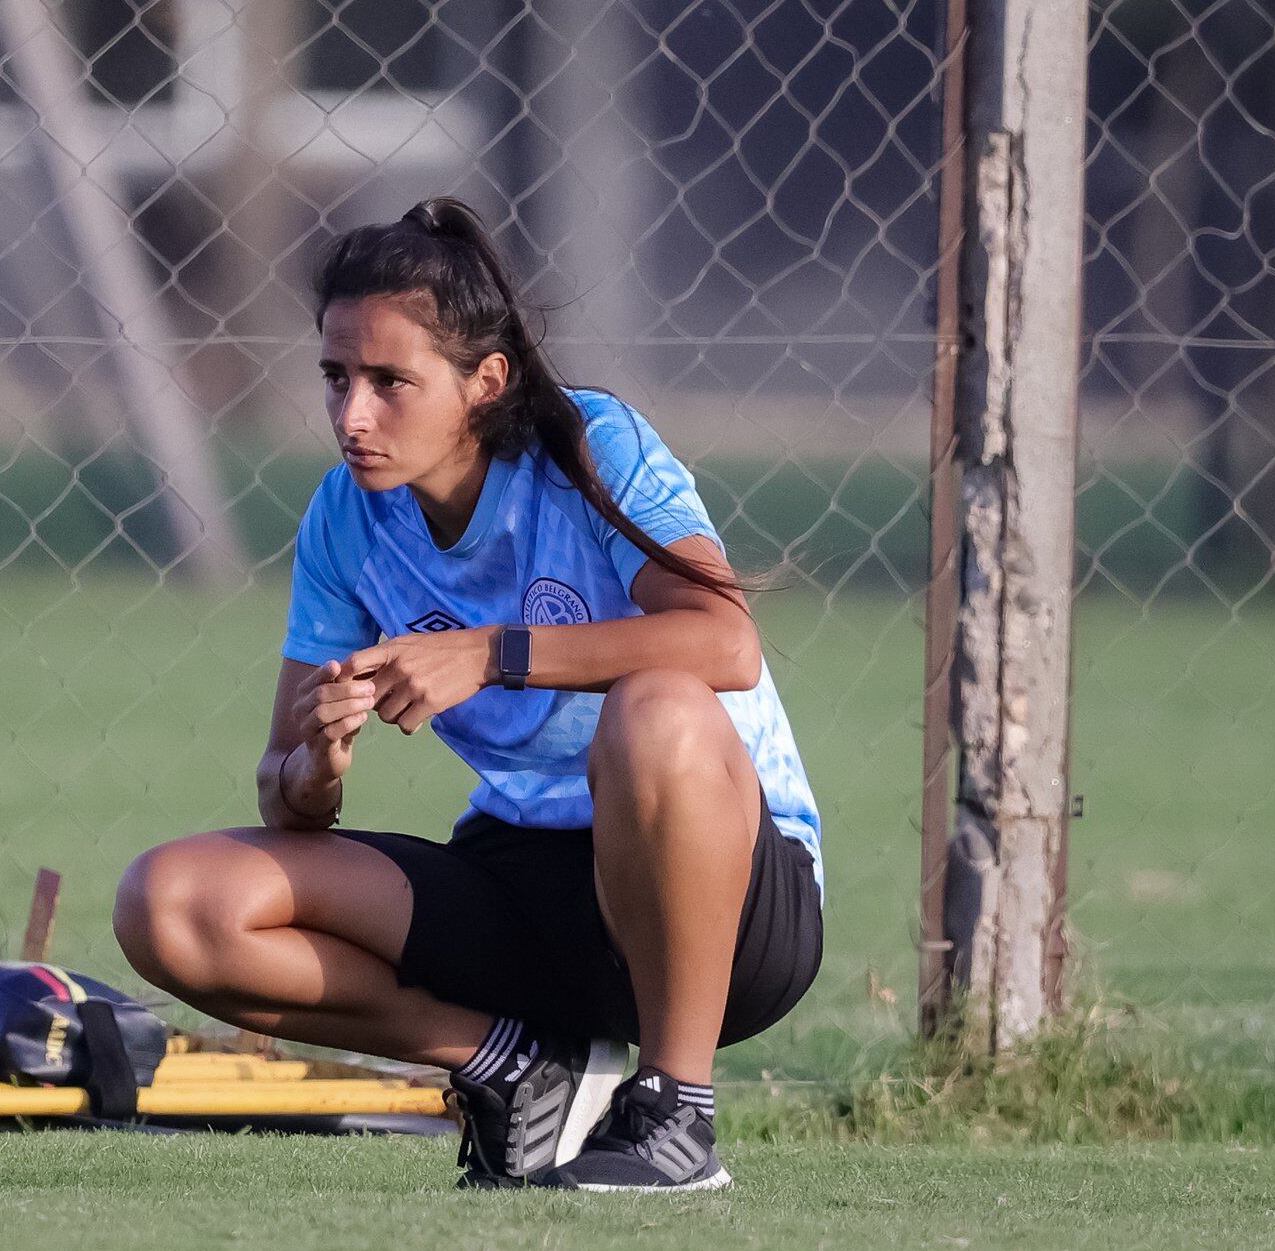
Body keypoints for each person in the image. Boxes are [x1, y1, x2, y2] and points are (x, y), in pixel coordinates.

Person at [113, 197, 823, 1192]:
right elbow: (284, 798)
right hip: (521, 877)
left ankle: (674, 1113)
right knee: (173, 902)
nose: (351, 416)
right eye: (335, 377)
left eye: (388, 382)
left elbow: (725, 641)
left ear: (484, 384)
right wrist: (317, 763)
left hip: (730, 901)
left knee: (655, 705)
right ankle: (512, 1070)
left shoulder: (591, 444)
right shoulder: (343, 519)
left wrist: (493, 653)